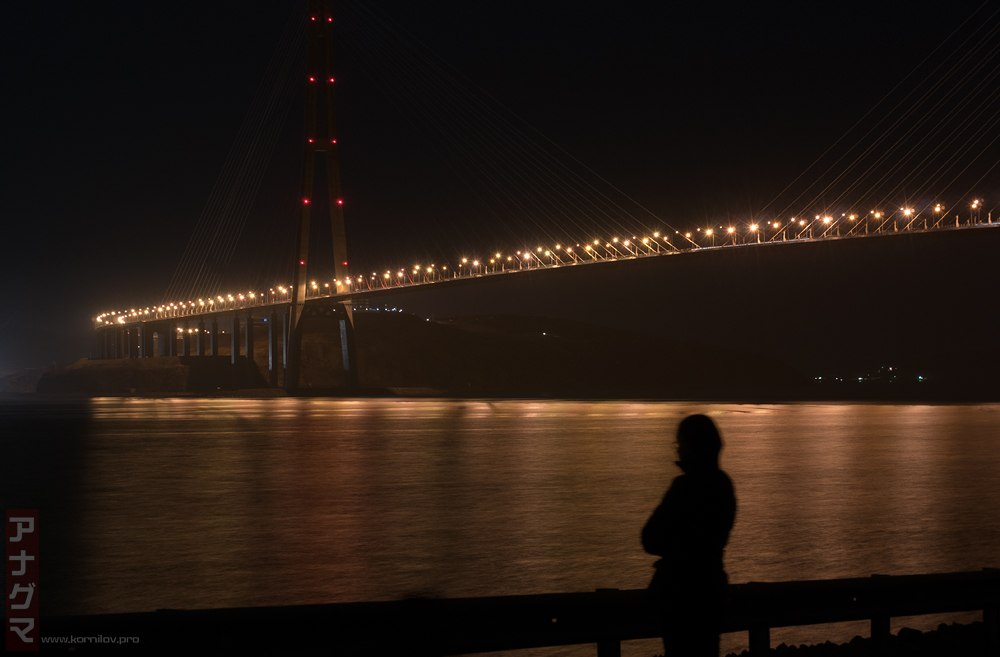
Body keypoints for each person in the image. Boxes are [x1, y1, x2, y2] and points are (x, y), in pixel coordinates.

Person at [641, 414, 736, 657]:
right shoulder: (723, 484)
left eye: (680, 443)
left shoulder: (684, 487)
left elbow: (650, 538)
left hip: (680, 597)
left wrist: (676, 549)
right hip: (711, 593)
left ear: (692, 447)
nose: (678, 450)